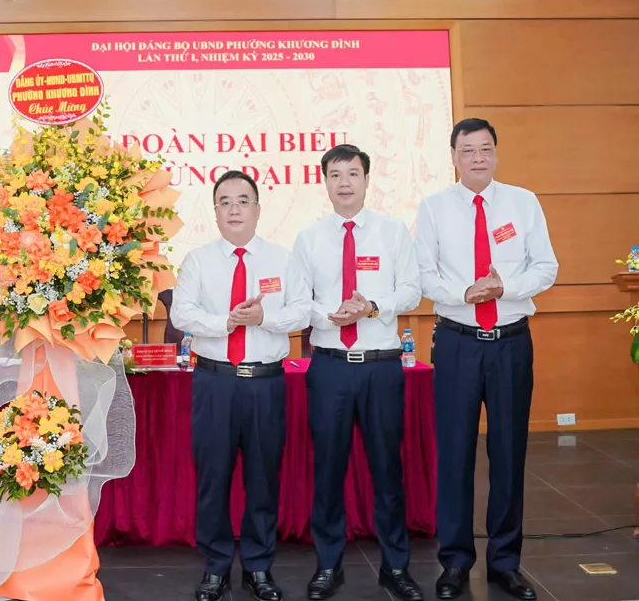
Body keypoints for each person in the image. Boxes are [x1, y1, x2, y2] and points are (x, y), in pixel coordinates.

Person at [415, 119, 557, 601]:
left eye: (485, 149)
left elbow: (547, 267)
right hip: (457, 342)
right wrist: (465, 293)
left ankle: (505, 563)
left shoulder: (523, 202)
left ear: (496, 153)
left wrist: (505, 288)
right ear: (453, 156)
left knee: (509, 453)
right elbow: (423, 275)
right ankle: (455, 561)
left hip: (511, 343)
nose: (477, 157)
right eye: (467, 150)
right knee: (455, 453)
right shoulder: (434, 208)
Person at [171, 170, 311, 601]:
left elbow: (302, 311)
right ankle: (215, 567)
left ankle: (258, 566)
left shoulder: (283, 259)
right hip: (215, 382)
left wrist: (265, 318)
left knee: (263, 478)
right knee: (212, 478)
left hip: (265, 385)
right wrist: (226, 322)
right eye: (225, 202)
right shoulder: (198, 260)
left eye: (243, 200)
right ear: (215, 211)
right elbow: (181, 314)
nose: (234, 209)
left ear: (257, 209)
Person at [291, 145, 423, 601]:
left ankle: (396, 567)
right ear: (325, 182)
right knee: (327, 471)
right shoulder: (309, 238)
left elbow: (412, 290)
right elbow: (298, 301)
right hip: (329, 367)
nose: (344, 182)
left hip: (381, 367)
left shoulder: (392, 232)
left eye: (353, 173)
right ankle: (328, 565)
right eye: (335, 174)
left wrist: (373, 307)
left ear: (367, 180)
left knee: (387, 470)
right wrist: (330, 317)